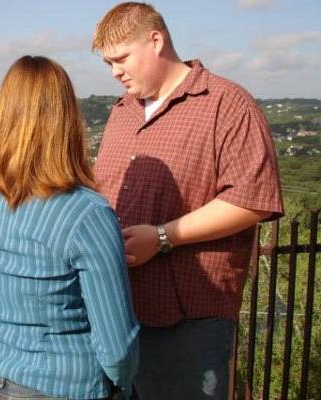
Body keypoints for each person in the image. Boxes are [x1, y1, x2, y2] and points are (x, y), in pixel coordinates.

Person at [91, 3, 283, 399]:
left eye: (122, 58)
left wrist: (162, 237)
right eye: (109, 63)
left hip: (188, 320)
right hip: (118, 310)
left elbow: (253, 199)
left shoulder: (226, 103)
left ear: (156, 41)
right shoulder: (122, 112)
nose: (115, 72)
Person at [0, 55, 139, 400]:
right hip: (64, 385)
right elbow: (116, 344)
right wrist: (123, 385)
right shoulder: (86, 213)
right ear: (67, 118)